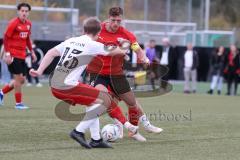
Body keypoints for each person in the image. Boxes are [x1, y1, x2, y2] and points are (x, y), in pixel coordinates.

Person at [30, 17, 140, 149]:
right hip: (67, 85)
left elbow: (50, 53)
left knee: (93, 102)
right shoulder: (93, 45)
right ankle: (78, 131)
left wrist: (39, 71)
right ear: (98, 33)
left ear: (83, 30)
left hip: (55, 84)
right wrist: (126, 43)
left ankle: (96, 139)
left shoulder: (71, 40)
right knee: (105, 99)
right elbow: (120, 52)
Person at [87, 7, 163, 142]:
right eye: (113, 20)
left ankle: (134, 130)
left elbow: (137, 49)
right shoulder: (97, 31)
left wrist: (144, 58)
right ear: (108, 18)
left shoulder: (126, 34)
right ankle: (123, 125)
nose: (116, 23)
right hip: (97, 73)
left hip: (117, 74)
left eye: (119, 20)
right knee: (106, 100)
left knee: (132, 103)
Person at [0, 3, 37, 109]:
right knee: (17, 80)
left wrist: (32, 52)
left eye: (26, 11)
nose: (24, 13)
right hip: (12, 55)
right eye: (22, 11)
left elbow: (27, 39)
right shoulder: (13, 23)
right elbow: (6, 38)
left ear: (28, 13)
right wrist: (7, 53)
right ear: (18, 12)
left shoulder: (29, 24)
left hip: (22, 55)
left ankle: (1, 92)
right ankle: (18, 104)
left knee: (22, 80)